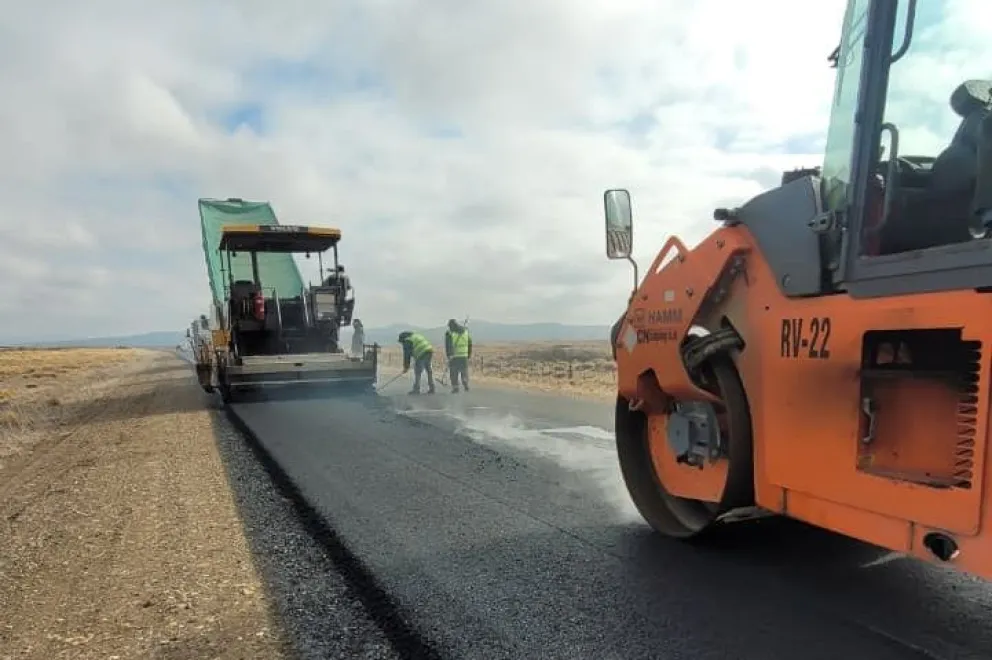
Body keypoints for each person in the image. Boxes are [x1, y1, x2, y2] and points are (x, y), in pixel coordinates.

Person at [398, 330, 435, 395]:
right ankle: (432, 388)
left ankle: (416, 390)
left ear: (403, 339)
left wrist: (406, 367)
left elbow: (407, 355)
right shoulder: (416, 336)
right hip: (429, 350)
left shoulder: (407, 341)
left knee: (418, 371)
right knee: (428, 370)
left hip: (422, 353)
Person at [444, 318, 472, 393]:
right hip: (464, 356)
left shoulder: (449, 333)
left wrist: (449, 355)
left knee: (453, 372)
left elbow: (448, 345)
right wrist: (468, 354)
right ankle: (465, 381)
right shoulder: (465, 332)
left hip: (454, 356)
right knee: (464, 371)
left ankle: (455, 388)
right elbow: (469, 344)